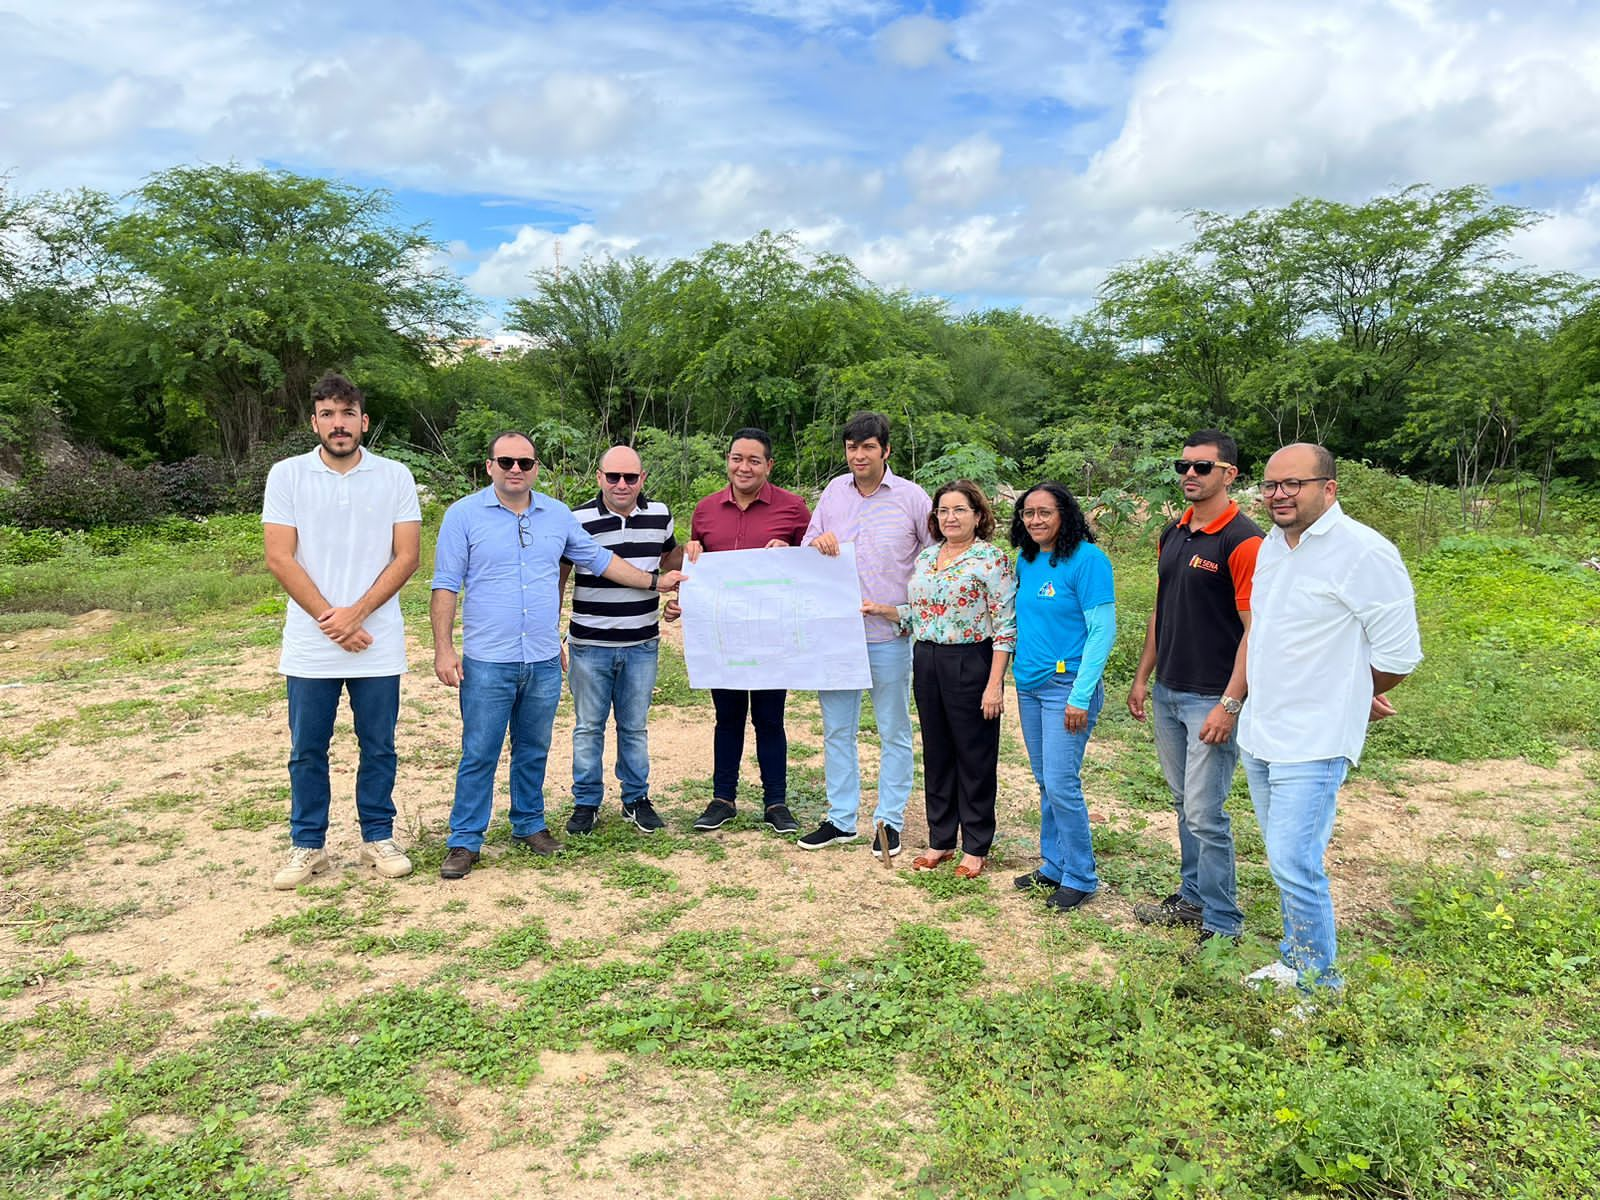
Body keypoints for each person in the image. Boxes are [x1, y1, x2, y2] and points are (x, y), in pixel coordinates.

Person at [431, 432, 683, 880]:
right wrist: (445, 648)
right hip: (489, 658)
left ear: (536, 468)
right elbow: (446, 584)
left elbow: (600, 559)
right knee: (479, 752)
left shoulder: (557, 515)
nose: (515, 470)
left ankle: (529, 825)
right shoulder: (463, 516)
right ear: (489, 466)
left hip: (544, 658)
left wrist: (653, 583)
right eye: (506, 461)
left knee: (533, 749)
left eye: (524, 463)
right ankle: (465, 840)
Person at [1238, 443, 1421, 990]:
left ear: (1329, 487)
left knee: (1296, 861)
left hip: (1314, 738)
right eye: (1271, 485)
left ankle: (1319, 983)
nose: (1279, 495)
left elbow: (1397, 654)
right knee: (1280, 859)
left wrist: (1354, 694)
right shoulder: (1272, 545)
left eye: (1293, 484)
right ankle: (1295, 959)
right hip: (1262, 730)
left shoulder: (1363, 551)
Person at [262, 371, 421, 889]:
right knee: (308, 749)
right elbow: (280, 558)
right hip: (312, 645)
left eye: (347, 414)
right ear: (314, 421)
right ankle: (308, 845)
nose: (338, 424)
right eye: (328, 414)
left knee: (379, 746)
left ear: (364, 421)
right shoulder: (287, 475)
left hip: (378, 642)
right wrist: (335, 619)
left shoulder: (394, 476)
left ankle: (379, 836)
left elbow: (407, 556)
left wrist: (358, 614)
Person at [1127, 431, 1263, 945]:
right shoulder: (1173, 532)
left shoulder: (1244, 540)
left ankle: (1223, 923)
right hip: (1168, 691)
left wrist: (1230, 703)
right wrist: (1143, 676)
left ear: (1229, 474)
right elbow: (1163, 610)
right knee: (1184, 804)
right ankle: (1192, 898)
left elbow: (1257, 629)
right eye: (1183, 465)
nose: (1189, 474)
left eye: (1202, 467)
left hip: (1212, 697)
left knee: (1207, 812)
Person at [863, 480, 1014, 878]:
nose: (950, 517)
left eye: (960, 510)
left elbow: (1005, 626)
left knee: (975, 754)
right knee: (938, 751)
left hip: (971, 660)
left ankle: (976, 845)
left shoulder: (990, 560)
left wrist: (995, 682)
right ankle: (941, 839)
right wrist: (883, 610)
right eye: (943, 510)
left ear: (978, 515)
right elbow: (917, 614)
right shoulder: (928, 558)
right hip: (927, 659)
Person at [800, 412, 932, 859]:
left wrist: (904, 613)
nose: (858, 455)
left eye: (868, 447)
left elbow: (935, 566)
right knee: (837, 730)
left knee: (893, 729)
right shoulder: (833, 493)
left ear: (885, 451)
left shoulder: (913, 499)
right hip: (837, 636)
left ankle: (889, 822)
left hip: (889, 636)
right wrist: (817, 544)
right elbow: (808, 544)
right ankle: (840, 819)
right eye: (852, 447)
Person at [671, 427, 811, 834]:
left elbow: (816, 570)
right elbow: (697, 570)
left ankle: (776, 802)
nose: (743, 467)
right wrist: (690, 560)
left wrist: (794, 554)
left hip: (772, 632)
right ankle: (722, 798)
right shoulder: (706, 509)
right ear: (728, 461)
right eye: (737, 458)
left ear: (769, 465)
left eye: (753, 460)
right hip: (724, 635)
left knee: (770, 717)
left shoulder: (793, 508)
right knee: (727, 717)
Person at [558, 445, 683, 836]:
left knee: (634, 727)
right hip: (589, 643)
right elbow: (559, 579)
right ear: (599, 477)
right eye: (613, 476)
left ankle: (636, 799)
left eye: (631, 477)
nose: (622, 484)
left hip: (642, 642)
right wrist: (551, 634)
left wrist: (682, 587)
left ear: (643, 478)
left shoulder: (659, 516)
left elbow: (672, 563)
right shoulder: (576, 518)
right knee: (588, 727)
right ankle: (586, 802)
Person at [1010, 482, 1116, 912]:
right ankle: (1054, 864)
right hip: (1029, 686)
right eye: (1027, 512)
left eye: (1044, 512)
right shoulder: (1027, 559)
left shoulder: (1088, 561)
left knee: (1062, 783)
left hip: (1066, 689)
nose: (1035, 520)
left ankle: (1082, 875)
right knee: (1045, 781)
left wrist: (1080, 695)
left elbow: (1102, 631)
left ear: (1065, 515)